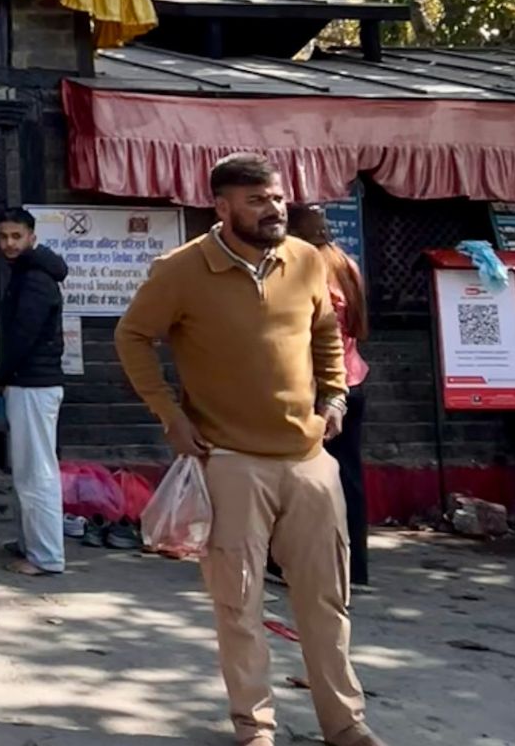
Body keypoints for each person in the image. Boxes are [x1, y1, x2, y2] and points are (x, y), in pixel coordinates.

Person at [116, 153, 381, 746]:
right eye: (258, 200)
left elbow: (326, 335)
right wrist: (170, 416)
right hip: (229, 460)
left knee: (327, 600)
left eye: (278, 198)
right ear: (223, 206)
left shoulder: (308, 260)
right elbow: (131, 336)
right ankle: (254, 725)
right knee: (239, 606)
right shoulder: (182, 270)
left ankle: (345, 723)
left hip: (309, 460)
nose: (274, 208)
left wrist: (334, 399)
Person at [288, 203, 372, 588]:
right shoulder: (346, 265)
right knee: (347, 478)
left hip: (317, 388)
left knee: (303, 480)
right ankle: (356, 569)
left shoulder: (304, 269)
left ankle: (298, 565)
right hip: (353, 381)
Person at [0, 206, 71, 578]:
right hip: (30, 384)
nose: (9, 243)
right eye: (4, 237)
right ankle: (32, 544)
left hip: (33, 385)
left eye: (16, 236)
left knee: (36, 472)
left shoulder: (35, 279)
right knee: (29, 469)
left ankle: (46, 556)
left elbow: (21, 337)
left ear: (31, 237)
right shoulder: (28, 274)